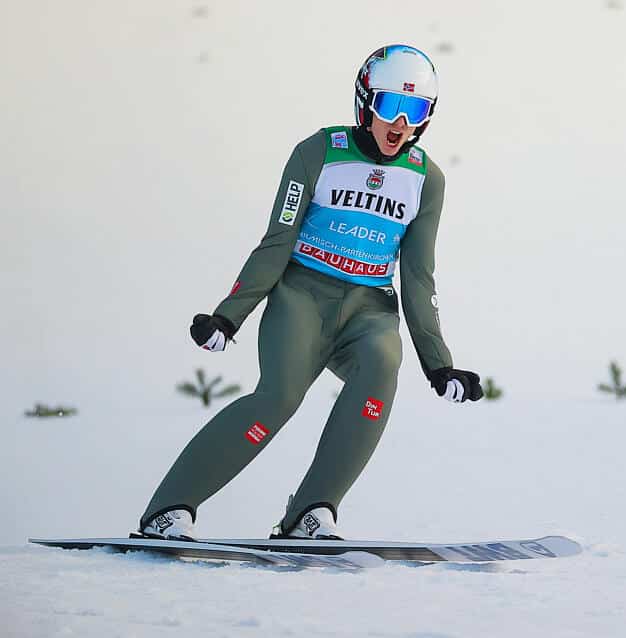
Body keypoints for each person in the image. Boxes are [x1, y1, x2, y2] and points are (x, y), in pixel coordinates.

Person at [137, 44, 483, 541]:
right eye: (389, 107)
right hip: (303, 298)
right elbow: (278, 239)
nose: (400, 124)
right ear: (365, 103)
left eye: (417, 112)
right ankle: (168, 510)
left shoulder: (427, 179)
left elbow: (419, 276)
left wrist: (439, 362)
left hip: (369, 310)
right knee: (278, 399)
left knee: (383, 364)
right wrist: (229, 315)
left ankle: (311, 512)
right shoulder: (318, 152)